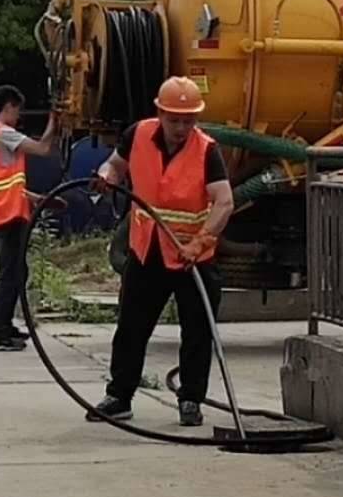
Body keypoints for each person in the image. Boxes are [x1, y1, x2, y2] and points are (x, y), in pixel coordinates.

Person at [86, 76, 234, 427]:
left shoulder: (207, 150)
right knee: (131, 327)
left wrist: (200, 242)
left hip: (191, 258)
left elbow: (224, 202)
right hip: (147, 250)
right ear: (160, 113)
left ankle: (191, 400)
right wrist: (106, 175)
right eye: (174, 120)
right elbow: (115, 165)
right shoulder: (137, 135)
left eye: (188, 121)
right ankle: (119, 396)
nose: (181, 128)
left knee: (197, 331)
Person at [0, 85, 57, 351]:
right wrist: (56, 119)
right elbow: (43, 148)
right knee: (11, 272)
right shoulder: (5, 133)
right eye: (17, 109)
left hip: (2, 210)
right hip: (8, 213)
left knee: (16, 270)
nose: (19, 115)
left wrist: (35, 197)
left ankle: (5, 324)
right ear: (8, 106)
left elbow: (6, 182)